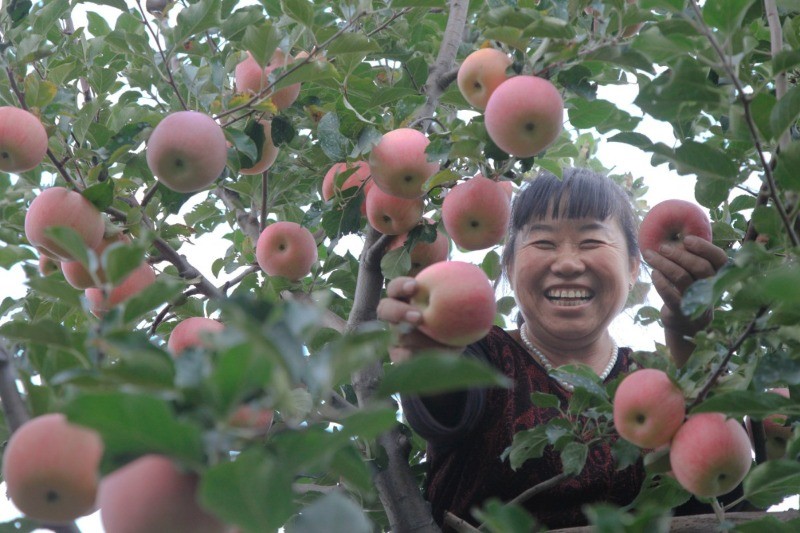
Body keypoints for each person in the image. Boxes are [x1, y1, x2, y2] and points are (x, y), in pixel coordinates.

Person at [376, 167, 730, 530]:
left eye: (592, 242)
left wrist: (691, 340)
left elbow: (724, 500)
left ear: (633, 267)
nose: (567, 263)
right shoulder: (485, 356)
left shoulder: (655, 383)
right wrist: (429, 360)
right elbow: (447, 405)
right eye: (543, 243)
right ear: (510, 269)